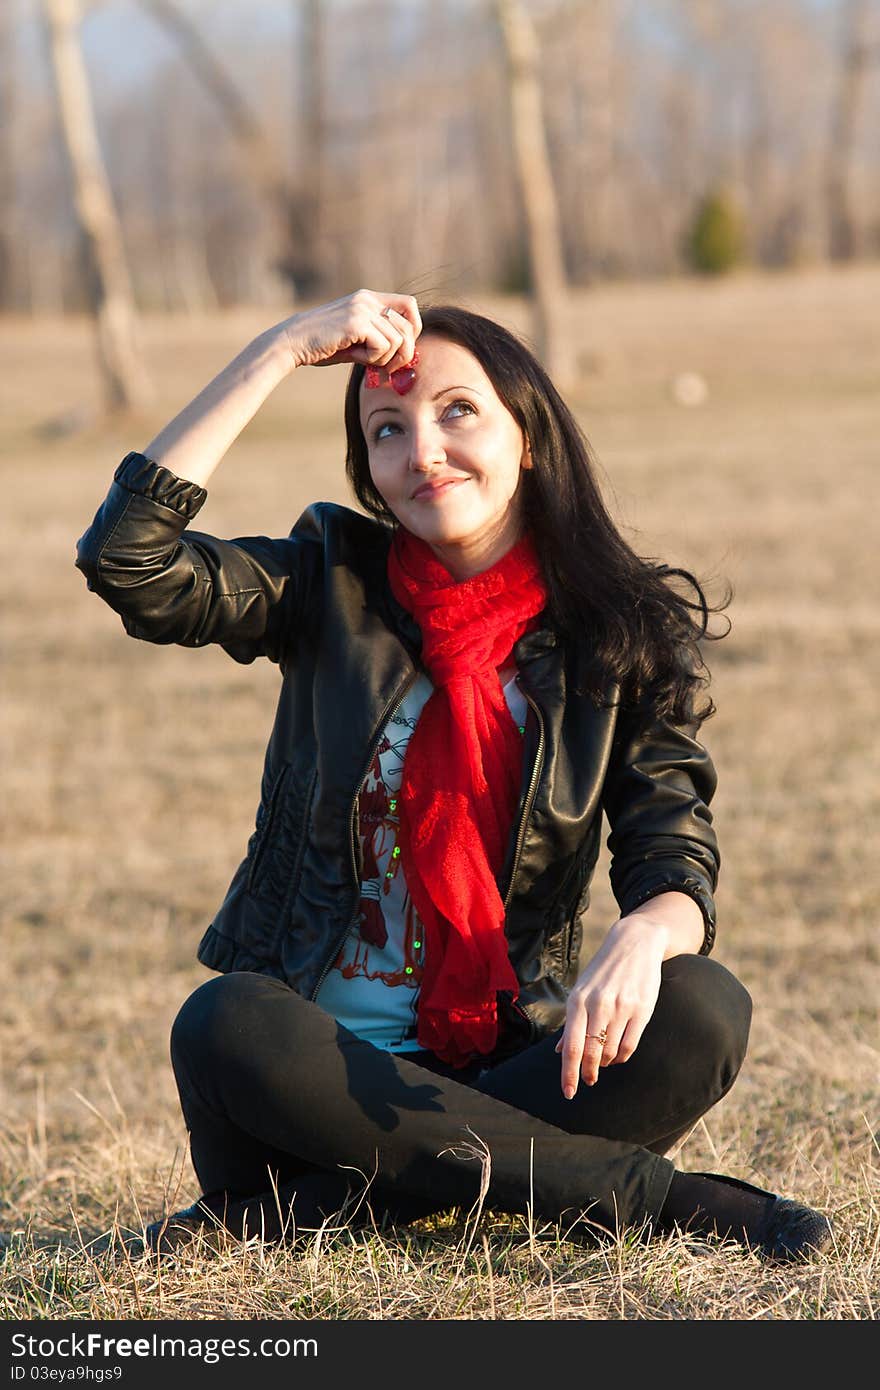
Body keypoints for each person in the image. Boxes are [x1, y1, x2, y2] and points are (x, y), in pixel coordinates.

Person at [76, 289, 831, 1262]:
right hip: (305, 1080)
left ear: (529, 435)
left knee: (702, 1005)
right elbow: (130, 560)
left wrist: (649, 928)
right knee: (227, 1018)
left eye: (456, 411)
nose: (422, 450)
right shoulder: (328, 580)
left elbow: (671, 849)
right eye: (388, 429)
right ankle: (649, 1200)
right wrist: (279, 349)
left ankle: (308, 1211)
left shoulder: (619, 634)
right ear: (370, 471)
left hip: (501, 1062)